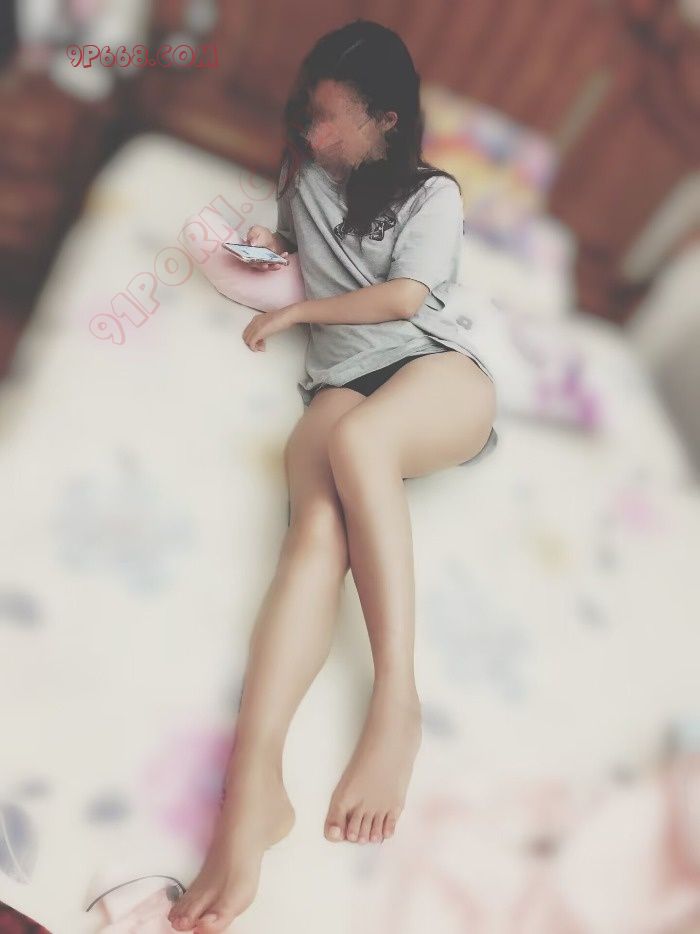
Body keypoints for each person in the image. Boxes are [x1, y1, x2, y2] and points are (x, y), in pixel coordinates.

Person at [168, 19, 497, 934]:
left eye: (331, 119)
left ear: (386, 120)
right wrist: (248, 257)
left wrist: (299, 313)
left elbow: (404, 299)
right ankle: (251, 791)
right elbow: (288, 255)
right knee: (311, 534)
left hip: (434, 372)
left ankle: (397, 704)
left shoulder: (434, 194)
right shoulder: (304, 177)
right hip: (340, 383)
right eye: (307, 115)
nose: (313, 134)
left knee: (360, 450)